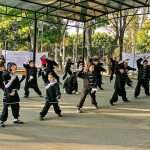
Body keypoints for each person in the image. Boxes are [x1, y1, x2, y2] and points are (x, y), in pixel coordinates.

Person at [0, 63, 23, 127]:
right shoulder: (5, 75)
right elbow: (6, 86)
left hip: (14, 93)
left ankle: (16, 119)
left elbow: (18, 85)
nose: (15, 69)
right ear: (9, 67)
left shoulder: (15, 75)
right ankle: (2, 121)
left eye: (15, 67)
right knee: (6, 107)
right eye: (13, 67)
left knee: (16, 106)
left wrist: (15, 90)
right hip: (7, 93)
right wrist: (12, 79)